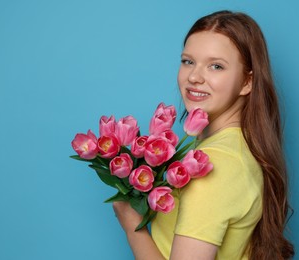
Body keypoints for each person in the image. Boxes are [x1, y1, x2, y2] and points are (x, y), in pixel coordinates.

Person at [113, 10, 295, 260]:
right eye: (188, 61)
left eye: (216, 66)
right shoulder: (239, 148)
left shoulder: (212, 164)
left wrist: (132, 225)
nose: (194, 77)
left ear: (247, 82)